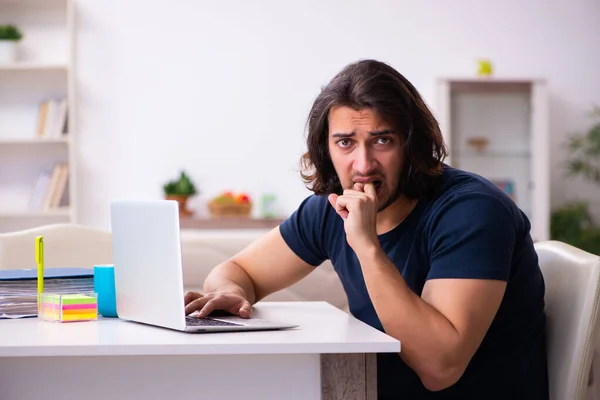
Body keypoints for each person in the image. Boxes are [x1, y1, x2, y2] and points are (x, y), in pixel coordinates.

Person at [184, 59, 549, 399]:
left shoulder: (473, 210)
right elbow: (237, 271)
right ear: (326, 149)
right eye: (345, 142)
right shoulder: (328, 210)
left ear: (411, 143)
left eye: (382, 140)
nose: (364, 164)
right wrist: (231, 293)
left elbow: (440, 368)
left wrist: (366, 244)